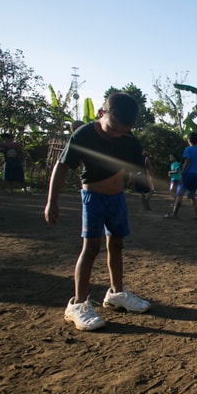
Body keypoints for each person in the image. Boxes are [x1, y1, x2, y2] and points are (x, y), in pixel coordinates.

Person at [44, 92, 151, 331]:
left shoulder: (129, 140)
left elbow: (136, 172)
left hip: (117, 199)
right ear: (101, 114)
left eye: (123, 131)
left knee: (117, 245)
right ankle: (78, 304)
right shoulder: (84, 135)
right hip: (92, 198)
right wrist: (52, 201)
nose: (117, 134)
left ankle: (116, 294)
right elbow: (61, 167)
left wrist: (144, 182)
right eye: (113, 129)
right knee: (90, 248)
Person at [166, 132, 197, 220]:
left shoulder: (188, 149)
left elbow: (187, 161)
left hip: (187, 174)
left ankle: (174, 214)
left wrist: (182, 173)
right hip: (196, 175)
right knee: (192, 196)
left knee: (179, 194)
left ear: (189, 140)